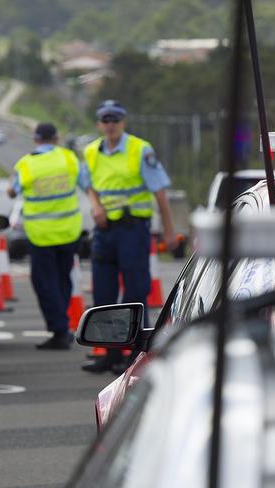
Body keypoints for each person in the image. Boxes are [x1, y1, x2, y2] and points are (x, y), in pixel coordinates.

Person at [80, 100, 178, 373]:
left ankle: (134, 355)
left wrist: (169, 230)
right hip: (105, 232)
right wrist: (96, 205)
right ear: (99, 123)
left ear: (123, 122)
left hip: (133, 230)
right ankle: (110, 354)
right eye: (105, 120)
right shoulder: (91, 151)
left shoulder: (139, 149)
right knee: (104, 295)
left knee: (135, 293)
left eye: (115, 120)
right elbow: (89, 184)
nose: (110, 125)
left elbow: (159, 192)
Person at [7, 123, 83, 350]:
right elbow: (87, 184)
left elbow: (12, 191)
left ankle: (60, 330)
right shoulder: (69, 159)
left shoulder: (26, 164)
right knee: (62, 280)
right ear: (56, 138)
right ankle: (62, 327)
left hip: (41, 236)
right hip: (69, 232)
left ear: (36, 140)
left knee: (44, 283)